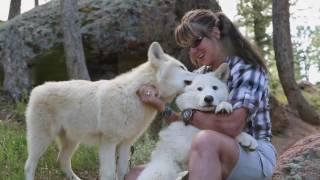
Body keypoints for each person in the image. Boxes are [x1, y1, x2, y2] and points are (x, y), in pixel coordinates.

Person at [126, 9, 277, 180]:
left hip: (253, 153)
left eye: (197, 42)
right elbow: (185, 123)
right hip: (204, 151)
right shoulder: (199, 75)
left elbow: (232, 126)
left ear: (215, 32)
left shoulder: (247, 69)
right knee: (135, 175)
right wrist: (157, 101)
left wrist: (190, 113)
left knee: (205, 140)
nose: (193, 51)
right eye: (188, 47)